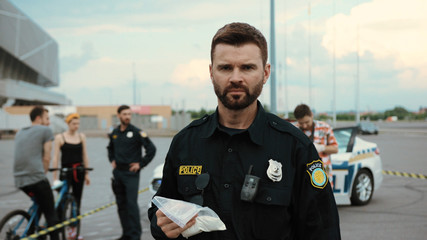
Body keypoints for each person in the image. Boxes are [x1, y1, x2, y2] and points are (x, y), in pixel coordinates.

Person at [148, 22, 341, 240]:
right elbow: (162, 211)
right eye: (225, 67)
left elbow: (323, 230)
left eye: (247, 67)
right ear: (211, 72)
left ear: (266, 72)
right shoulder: (186, 142)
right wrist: (161, 225)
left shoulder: (295, 146)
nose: (236, 78)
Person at [107, 105, 157, 240]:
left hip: (131, 174)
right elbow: (110, 148)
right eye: (124, 114)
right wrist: (112, 159)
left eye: (129, 114)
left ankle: (135, 235)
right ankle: (126, 234)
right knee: (121, 204)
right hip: (118, 173)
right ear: (118, 115)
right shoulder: (115, 133)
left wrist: (140, 164)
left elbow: (151, 149)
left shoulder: (136, 132)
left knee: (131, 204)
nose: (127, 116)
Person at [13, 106, 60, 240]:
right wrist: (43, 173)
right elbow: (47, 156)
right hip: (36, 178)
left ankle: (32, 232)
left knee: (39, 202)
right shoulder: (45, 130)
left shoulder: (20, 132)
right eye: (47, 118)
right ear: (38, 118)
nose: (49, 122)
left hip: (19, 180)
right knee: (51, 215)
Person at [52, 113, 90, 240]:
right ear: (68, 124)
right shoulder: (60, 137)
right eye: (74, 123)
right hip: (65, 172)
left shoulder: (81, 136)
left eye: (78, 123)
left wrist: (87, 174)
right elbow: (56, 157)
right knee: (61, 201)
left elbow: (85, 155)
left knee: (77, 201)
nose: (76, 126)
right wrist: (54, 177)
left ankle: (74, 231)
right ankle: (57, 229)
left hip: (79, 171)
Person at [293, 104, 338, 185]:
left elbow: (335, 149)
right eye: (301, 123)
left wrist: (322, 148)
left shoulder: (325, 127)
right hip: (302, 176)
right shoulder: (294, 130)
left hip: (323, 174)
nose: (304, 125)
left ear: (312, 115)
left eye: (307, 122)